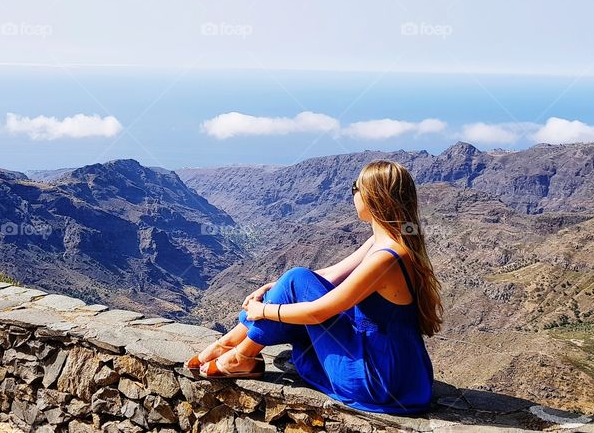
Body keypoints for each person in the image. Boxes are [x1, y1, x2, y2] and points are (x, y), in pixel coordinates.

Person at [186, 160, 443, 414]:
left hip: (377, 379)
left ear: (374, 196)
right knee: (294, 279)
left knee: (295, 279)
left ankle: (241, 354)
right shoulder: (384, 242)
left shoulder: (386, 258)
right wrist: (274, 288)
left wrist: (263, 311)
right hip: (396, 372)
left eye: (355, 187)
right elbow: (329, 276)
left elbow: (319, 311)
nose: (353, 195)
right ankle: (231, 346)